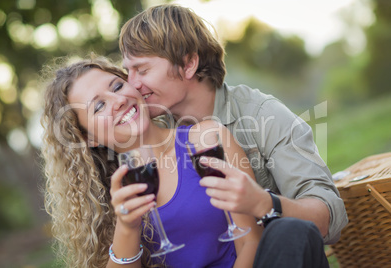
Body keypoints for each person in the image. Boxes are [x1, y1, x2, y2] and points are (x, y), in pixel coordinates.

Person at [119, 4, 348, 267]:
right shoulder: (153, 133)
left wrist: (265, 203)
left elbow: (332, 217)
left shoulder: (263, 115)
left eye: (142, 70)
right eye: (128, 71)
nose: (132, 83)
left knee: (290, 231)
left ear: (188, 64)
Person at [41, 56, 261, 268]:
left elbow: (251, 240)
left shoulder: (205, 138)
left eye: (117, 87)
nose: (118, 101)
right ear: (89, 138)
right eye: (99, 106)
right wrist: (127, 227)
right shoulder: (104, 197)